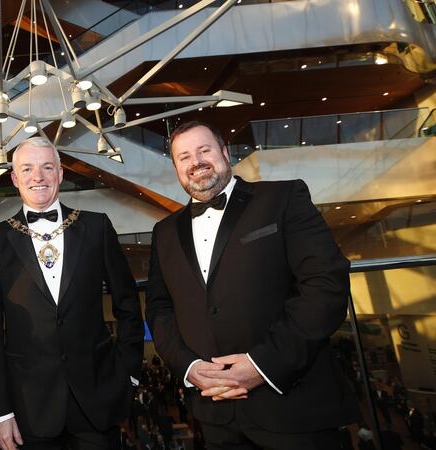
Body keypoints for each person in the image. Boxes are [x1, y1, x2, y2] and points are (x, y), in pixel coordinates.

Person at [145, 121, 358, 449]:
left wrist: (263, 365)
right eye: (184, 156)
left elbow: (325, 286)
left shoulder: (283, 198)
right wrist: (188, 366)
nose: (196, 161)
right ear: (176, 168)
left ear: (225, 153)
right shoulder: (164, 232)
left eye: (205, 150)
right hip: (215, 417)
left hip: (295, 410)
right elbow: (160, 309)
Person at [0, 136, 144, 449]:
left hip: (98, 398)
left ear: (60, 174)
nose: (37, 176)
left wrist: (129, 373)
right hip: (30, 408)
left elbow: (128, 302)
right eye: (26, 169)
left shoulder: (97, 227)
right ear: (14, 178)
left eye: (46, 167)